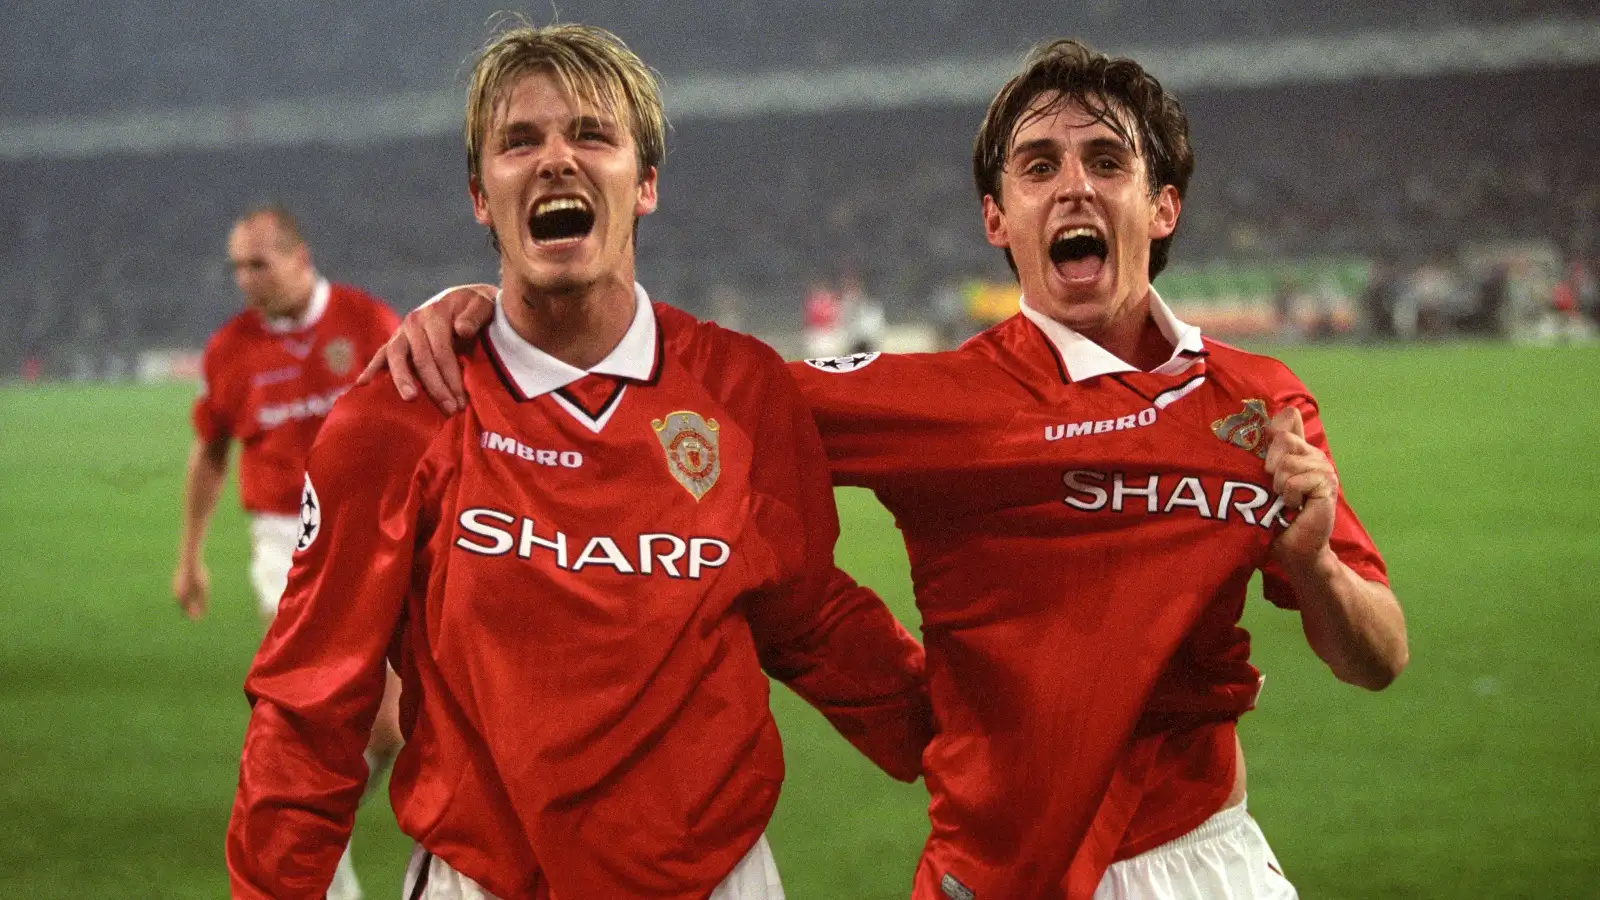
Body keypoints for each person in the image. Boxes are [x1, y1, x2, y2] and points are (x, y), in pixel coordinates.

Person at [367, 38, 1408, 900]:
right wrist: (491, 316)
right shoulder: (930, 400)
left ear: (1162, 205)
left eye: (1105, 160)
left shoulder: (1256, 401)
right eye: (1037, 166)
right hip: (1003, 867)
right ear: (997, 220)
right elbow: (685, 387)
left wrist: (1313, 567)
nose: (1072, 185)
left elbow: (1377, 656)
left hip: (1202, 855)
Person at [226, 23, 930, 900]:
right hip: (484, 878)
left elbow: (810, 619)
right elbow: (307, 705)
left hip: (719, 880)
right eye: (520, 141)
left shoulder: (738, 390)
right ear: (482, 195)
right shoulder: (398, 417)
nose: (556, 158)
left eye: (592, 134)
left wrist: (973, 748)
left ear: (647, 184)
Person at [176, 204, 401, 900]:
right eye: (237, 267)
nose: (245, 279)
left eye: (258, 263)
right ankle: (316, 860)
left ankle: (300, 817)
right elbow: (210, 451)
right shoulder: (230, 350)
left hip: (375, 536)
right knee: (341, 710)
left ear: (300, 258)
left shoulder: (368, 326)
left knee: (392, 723)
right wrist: (191, 555)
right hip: (287, 545)